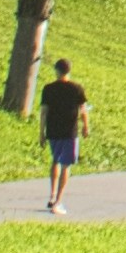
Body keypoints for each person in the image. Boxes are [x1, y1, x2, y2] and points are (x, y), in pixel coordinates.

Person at [37, 58, 90, 215]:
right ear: (69, 71)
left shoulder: (48, 89)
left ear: (56, 70)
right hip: (69, 131)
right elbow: (83, 110)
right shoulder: (77, 88)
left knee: (55, 161)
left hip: (53, 130)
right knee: (66, 164)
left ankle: (52, 195)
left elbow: (43, 112)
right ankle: (58, 201)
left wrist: (41, 132)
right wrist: (86, 126)